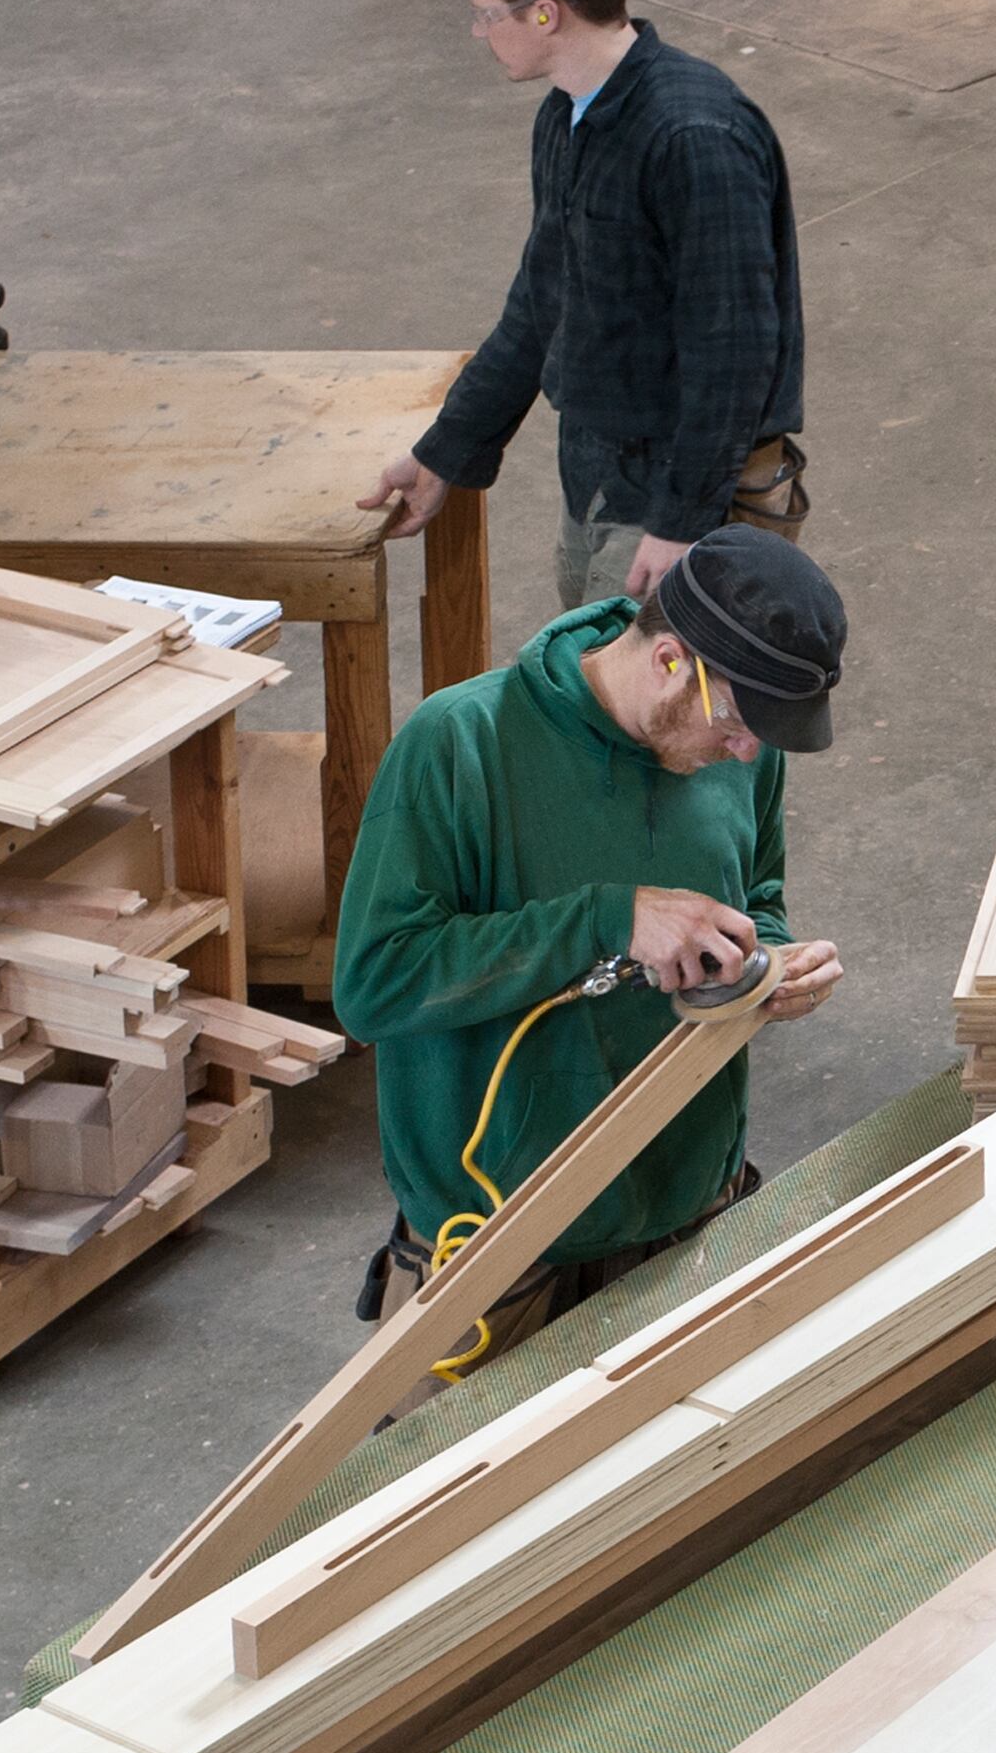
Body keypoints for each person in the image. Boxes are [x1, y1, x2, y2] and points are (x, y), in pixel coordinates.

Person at [328, 526, 849, 1368]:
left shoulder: (741, 755)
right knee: (462, 1496)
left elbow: (759, 896)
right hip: (501, 1247)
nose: (747, 751)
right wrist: (608, 920)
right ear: (672, 661)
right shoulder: (459, 745)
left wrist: (777, 965)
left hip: (689, 1215)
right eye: (742, 721)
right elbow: (374, 982)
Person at [370, 0, 810, 619]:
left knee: (651, 715)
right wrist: (445, 449)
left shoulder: (694, 137)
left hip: (681, 488)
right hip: (598, 470)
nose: (480, 34)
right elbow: (543, 302)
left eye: (488, 14)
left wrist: (683, 521)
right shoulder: (567, 114)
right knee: (588, 687)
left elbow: (734, 349)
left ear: (545, 14)